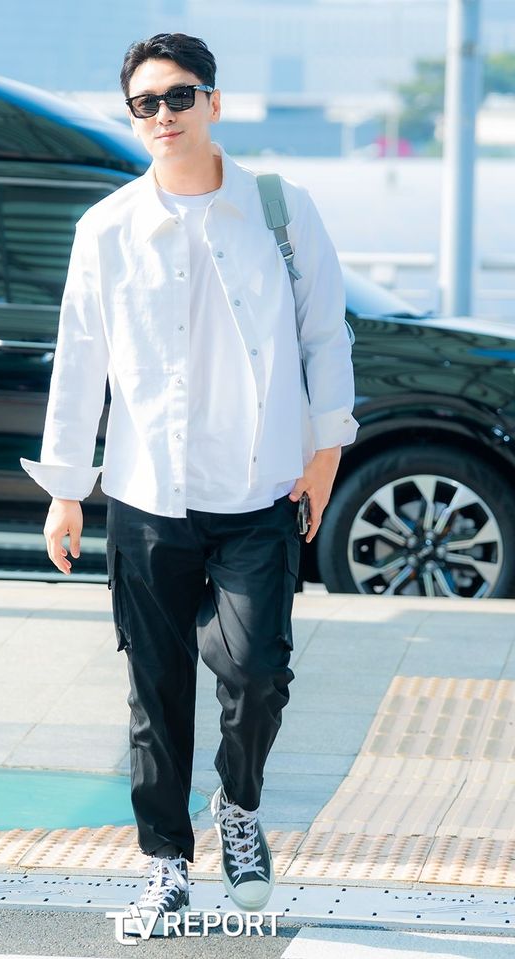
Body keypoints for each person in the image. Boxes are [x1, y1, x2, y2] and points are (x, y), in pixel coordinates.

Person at [21, 31, 358, 936]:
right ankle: (166, 863)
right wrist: (66, 487)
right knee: (156, 690)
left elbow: (326, 335)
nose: (163, 115)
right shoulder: (107, 229)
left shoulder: (280, 211)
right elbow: (79, 360)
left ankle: (237, 805)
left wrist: (326, 453)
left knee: (258, 673)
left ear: (214, 101)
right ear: (133, 117)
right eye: (146, 103)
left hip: (257, 492)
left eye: (179, 96)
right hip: (147, 498)